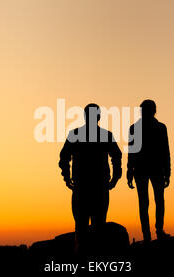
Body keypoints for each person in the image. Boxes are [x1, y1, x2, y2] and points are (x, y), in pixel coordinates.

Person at [59, 103, 122, 253]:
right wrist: (115, 178)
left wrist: (66, 177)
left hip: (82, 186)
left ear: (85, 116)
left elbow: (64, 158)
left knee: (81, 227)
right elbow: (117, 157)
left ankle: (82, 260)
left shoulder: (75, 134)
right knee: (98, 227)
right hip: (98, 187)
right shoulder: (106, 135)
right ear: (99, 117)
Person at [127, 100, 171, 242]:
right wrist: (129, 170)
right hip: (145, 169)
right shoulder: (136, 128)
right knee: (148, 202)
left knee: (153, 201)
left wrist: (168, 171)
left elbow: (165, 151)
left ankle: (156, 231)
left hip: (152, 169)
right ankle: (149, 234)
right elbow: (132, 151)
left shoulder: (159, 128)